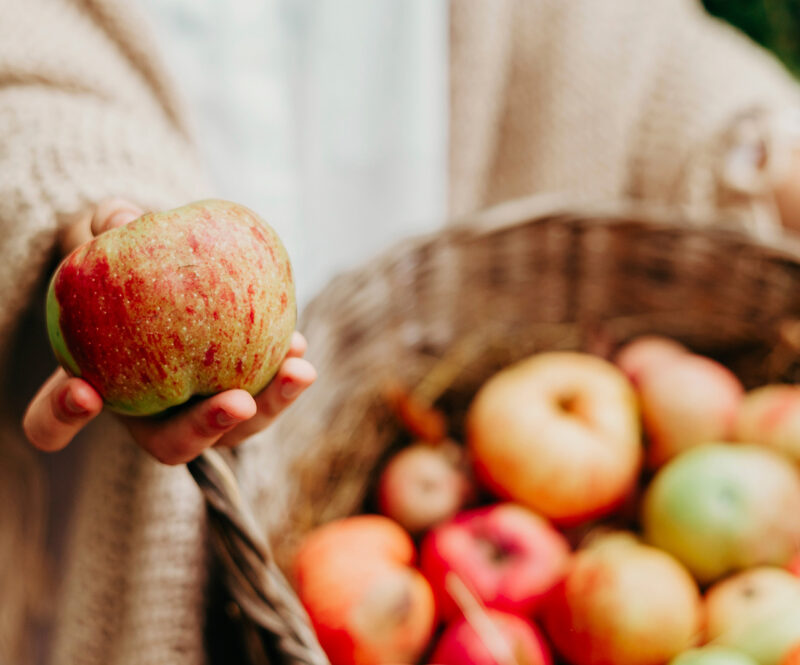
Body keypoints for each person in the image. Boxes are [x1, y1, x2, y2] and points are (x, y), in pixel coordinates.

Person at [3, 1, 800, 664]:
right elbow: (28, 70)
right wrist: (97, 219)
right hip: (148, 466)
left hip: (398, 341)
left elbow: (629, 50)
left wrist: (775, 159)